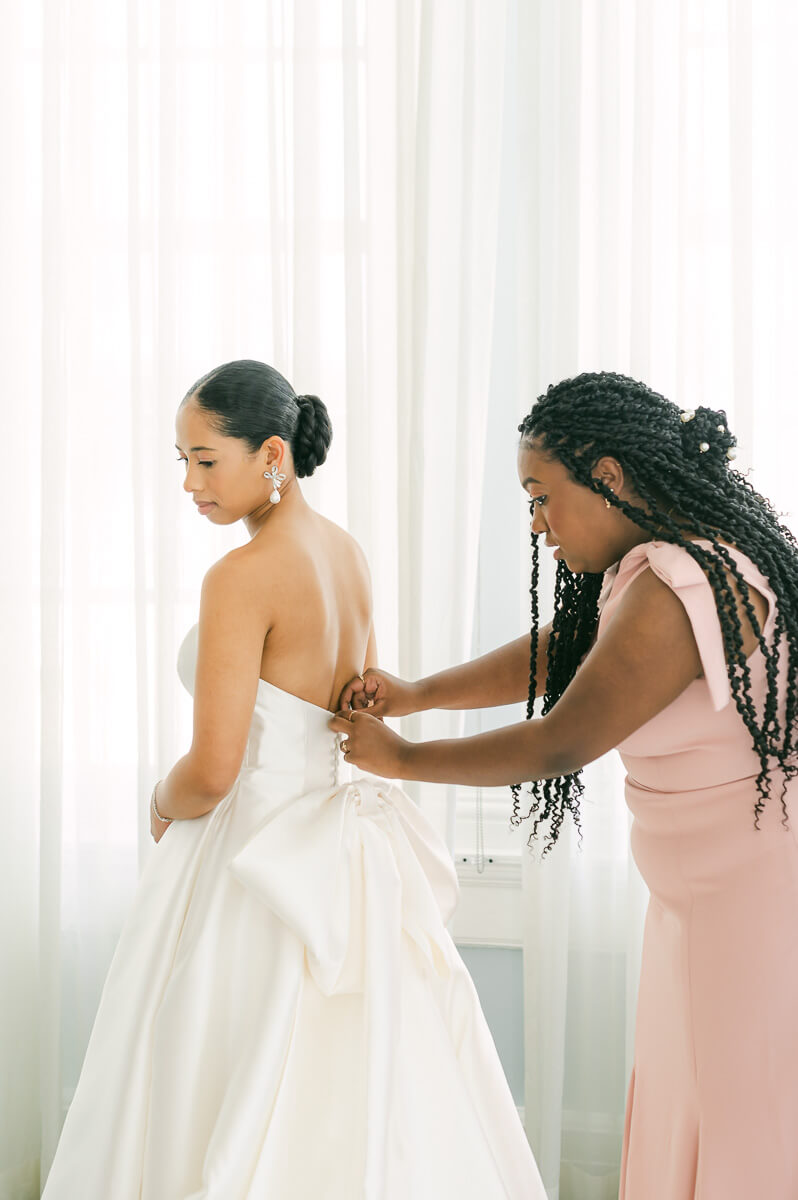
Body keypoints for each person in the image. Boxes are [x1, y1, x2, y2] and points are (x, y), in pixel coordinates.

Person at [41, 359, 545, 1199]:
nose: (189, 482)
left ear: (272, 452)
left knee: (206, 1071)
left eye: (205, 460)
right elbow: (360, 698)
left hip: (250, 852)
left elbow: (213, 768)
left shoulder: (242, 576)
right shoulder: (344, 554)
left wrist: (160, 802)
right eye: (181, 460)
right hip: (332, 844)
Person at [332, 370, 798, 1200]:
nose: (538, 524)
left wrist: (402, 757)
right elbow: (568, 649)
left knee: (742, 1111)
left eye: (542, 497)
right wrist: (419, 690)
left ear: (609, 479)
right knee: (689, 1095)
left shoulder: (682, 582)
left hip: (752, 898)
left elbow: (561, 743)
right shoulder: (654, 566)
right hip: (699, 895)